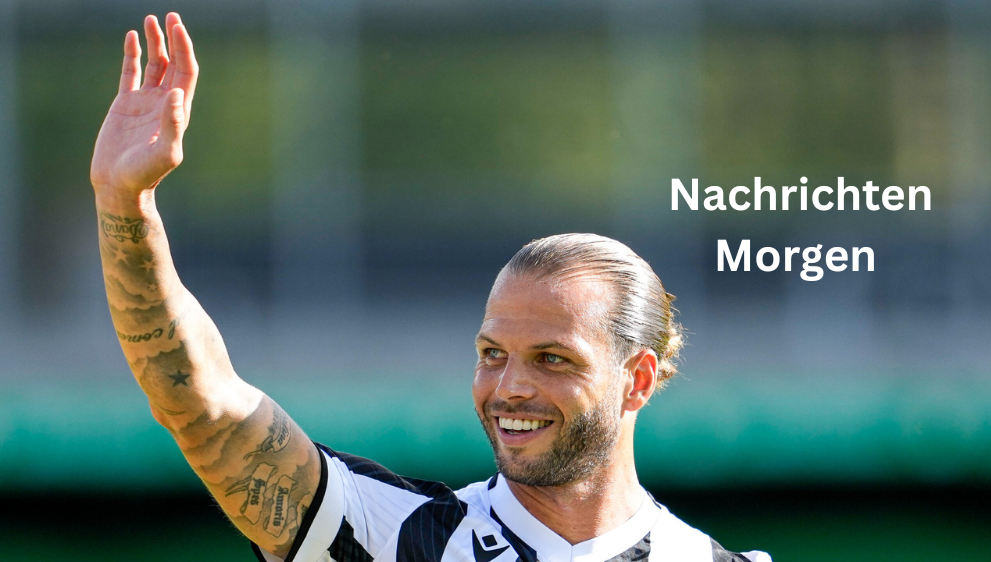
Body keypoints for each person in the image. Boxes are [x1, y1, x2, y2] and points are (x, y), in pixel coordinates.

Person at [90, 13, 771, 562]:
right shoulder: (393, 535)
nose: (509, 388)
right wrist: (125, 204)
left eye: (552, 358)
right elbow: (204, 406)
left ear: (638, 380)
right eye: (492, 353)